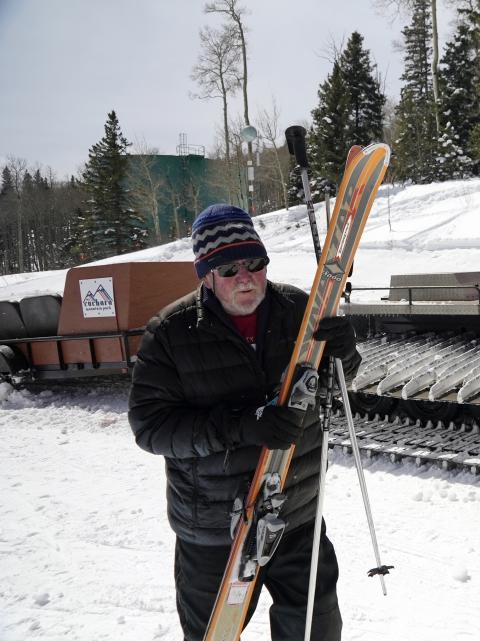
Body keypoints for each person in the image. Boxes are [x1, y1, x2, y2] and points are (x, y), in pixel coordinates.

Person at [128, 203, 361, 641]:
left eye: (255, 263)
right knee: (213, 634)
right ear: (206, 274)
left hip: (296, 510)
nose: (246, 277)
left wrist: (345, 354)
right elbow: (150, 427)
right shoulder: (171, 333)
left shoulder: (300, 310)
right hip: (215, 526)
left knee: (316, 628)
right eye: (229, 268)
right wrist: (240, 426)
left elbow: (336, 383)